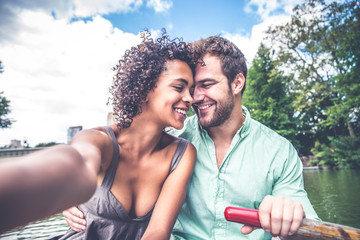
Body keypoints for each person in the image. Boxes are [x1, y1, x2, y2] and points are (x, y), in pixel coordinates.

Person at [63, 36, 319, 239]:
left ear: (237, 82)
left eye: (205, 85)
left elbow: (310, 228)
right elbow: (109, 153)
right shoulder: (171, 138)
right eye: (187, 87)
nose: (194, 97)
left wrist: (290, 215)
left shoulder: (279, 151)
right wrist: (71, 194)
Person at [0, 30, 197, 240]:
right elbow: (75, 165)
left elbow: (158, 232)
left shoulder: (182, 154)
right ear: (145, 89)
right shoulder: (97, 140)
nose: (190, 98)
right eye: (179, 87)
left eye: (191, 90)